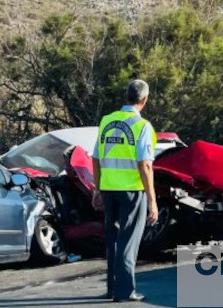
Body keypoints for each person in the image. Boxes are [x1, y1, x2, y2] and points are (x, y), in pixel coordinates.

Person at [91, 79, 159, 303]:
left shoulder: (107, 121)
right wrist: (152, 200)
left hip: (109, 189)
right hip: (132, 190)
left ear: (125, 97)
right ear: (144, 100)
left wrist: (97, 189)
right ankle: (125, 291)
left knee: (112, 240)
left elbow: (96, 158)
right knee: (128, 241)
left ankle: (112, 288)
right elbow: (145, 165)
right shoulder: (142, 126)